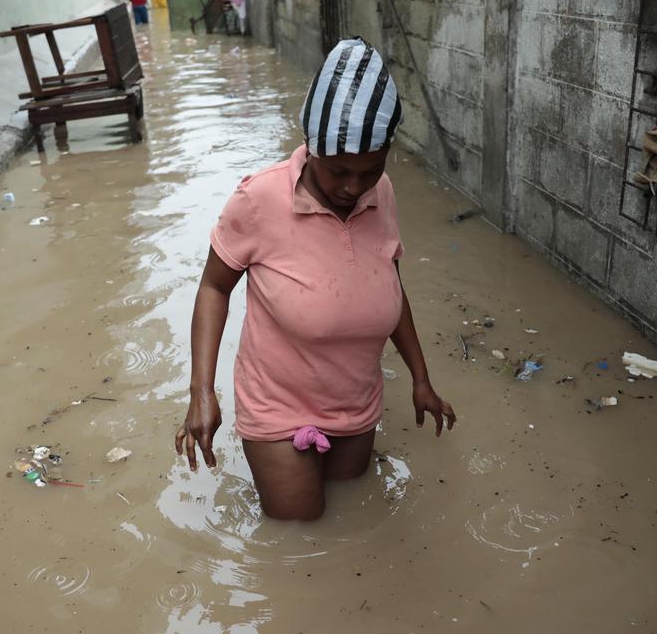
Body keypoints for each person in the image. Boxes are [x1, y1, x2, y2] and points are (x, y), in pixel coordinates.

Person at [177, 37, 457, 521]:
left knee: (353, 510)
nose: (353, 187)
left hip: (357, 400)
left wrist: (421, 379)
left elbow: (390, 284)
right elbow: (214, 287)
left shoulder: (381, 193)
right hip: (277, 405)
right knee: (298, 528)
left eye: (368, 171)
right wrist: (203, 392)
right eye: (339, 172)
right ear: (312, 151)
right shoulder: (259, 200)